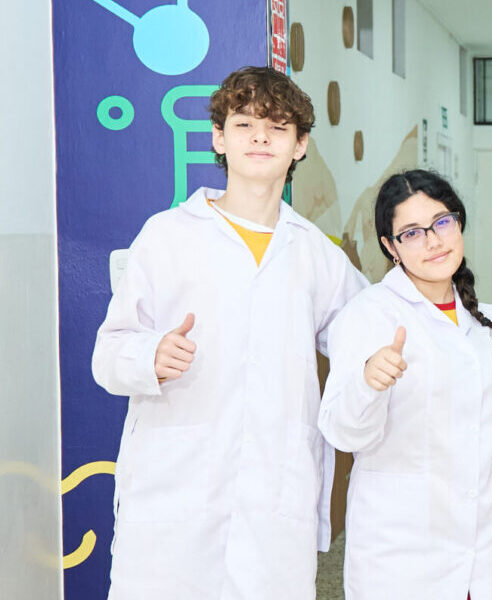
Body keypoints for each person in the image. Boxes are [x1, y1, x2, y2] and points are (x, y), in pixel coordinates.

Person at [90, 66, 368, 598]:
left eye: (277, 126)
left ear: (300, 145)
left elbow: (376, 329)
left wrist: (478, 319)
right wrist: (150, 356)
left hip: (274, 501)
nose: (260, 137)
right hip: (173, 497)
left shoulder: (316, 254)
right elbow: (108, 353)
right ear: (219, 138)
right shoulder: (167, 235)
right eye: (244, 124)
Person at [317, 170, 492, 599]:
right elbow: (342, 432)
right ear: (390, 247)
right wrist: (367, 383)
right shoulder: (369, 314)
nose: (434, 241)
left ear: (458, 222)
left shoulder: (478, 320)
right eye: (412, 233)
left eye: (442, 222)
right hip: (405, 545)